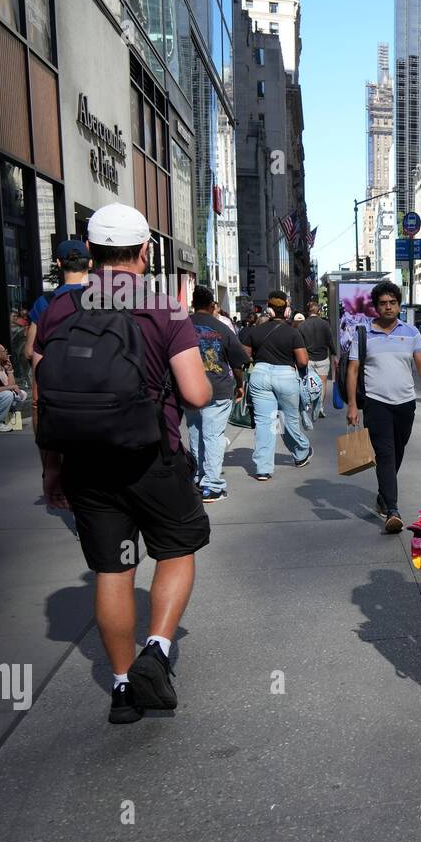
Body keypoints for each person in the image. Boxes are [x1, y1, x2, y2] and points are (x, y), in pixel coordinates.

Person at [32, 202, 212, 725]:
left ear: (88, 252)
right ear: (145, 251)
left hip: (86, 464)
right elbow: (198, 394)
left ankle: (120, 688)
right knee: (177, 550)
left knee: (112, 570)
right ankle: (155, 650)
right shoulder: (166, 309)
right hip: (154, 457)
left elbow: (46, 397)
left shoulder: (59, 310)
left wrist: (51, 469)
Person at [346, 281, 421, 533]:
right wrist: (353, 405)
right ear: (376, 307)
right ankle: (392, 510)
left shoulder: (411, 333)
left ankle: (384, 494)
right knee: (385, 454)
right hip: (376, 404)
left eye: (392, 302)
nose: (388, 307)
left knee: (397, 451)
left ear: (398, 305)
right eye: (383, 303)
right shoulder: (363, 333)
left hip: (405, 404)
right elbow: (352, 371)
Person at [26, 239, 91, 510]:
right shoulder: (104, 298)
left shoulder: (46, 303)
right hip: (95, 385)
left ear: (59, 264)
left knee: (42, 414)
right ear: (90, 263)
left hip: (57, 388)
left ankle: (52, 469)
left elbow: (30, 351)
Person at [186, 285, 250, 503]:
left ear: (193, 304)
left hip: (189, 388)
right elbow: (238, 361)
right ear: (213, 305)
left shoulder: (181, 326)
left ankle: (198, 477)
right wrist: (239, 384)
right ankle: (212, 485)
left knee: (195, 433)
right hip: (217, 387)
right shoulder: (222, 328)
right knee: (212, 436)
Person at [242, 290, 312, 481]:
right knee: (288, 420)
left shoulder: (254, 331)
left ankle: (263, 468)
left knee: (266, 422)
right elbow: (303, 361)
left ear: (269, 311)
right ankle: (301, 452)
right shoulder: (293, 333)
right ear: (287, 312)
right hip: (286, 378)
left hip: (260, 376)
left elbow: (245, 355)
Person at [298, 301, 338, 418]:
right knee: (322, 383)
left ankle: (309, 404)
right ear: (318, 311)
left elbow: (299, 344)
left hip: (308, 358)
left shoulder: (302, 325)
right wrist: (334, 354)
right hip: (323, 358)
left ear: (308, 311)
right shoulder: (324, 324)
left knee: (308, 383)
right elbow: (330, 341)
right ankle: (320, 407)